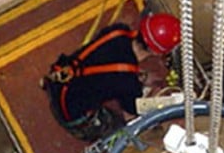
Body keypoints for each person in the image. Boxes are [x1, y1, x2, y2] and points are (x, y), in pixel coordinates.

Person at [41, 12, 181, 141]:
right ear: (157, 53)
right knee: (119, 129)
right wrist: (157, 102)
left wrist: (134, 81)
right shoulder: (127, 82)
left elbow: (107, 63)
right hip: (72, 115)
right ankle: (96, 134)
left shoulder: (117, 31)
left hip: (58, 84)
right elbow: (131, 114)